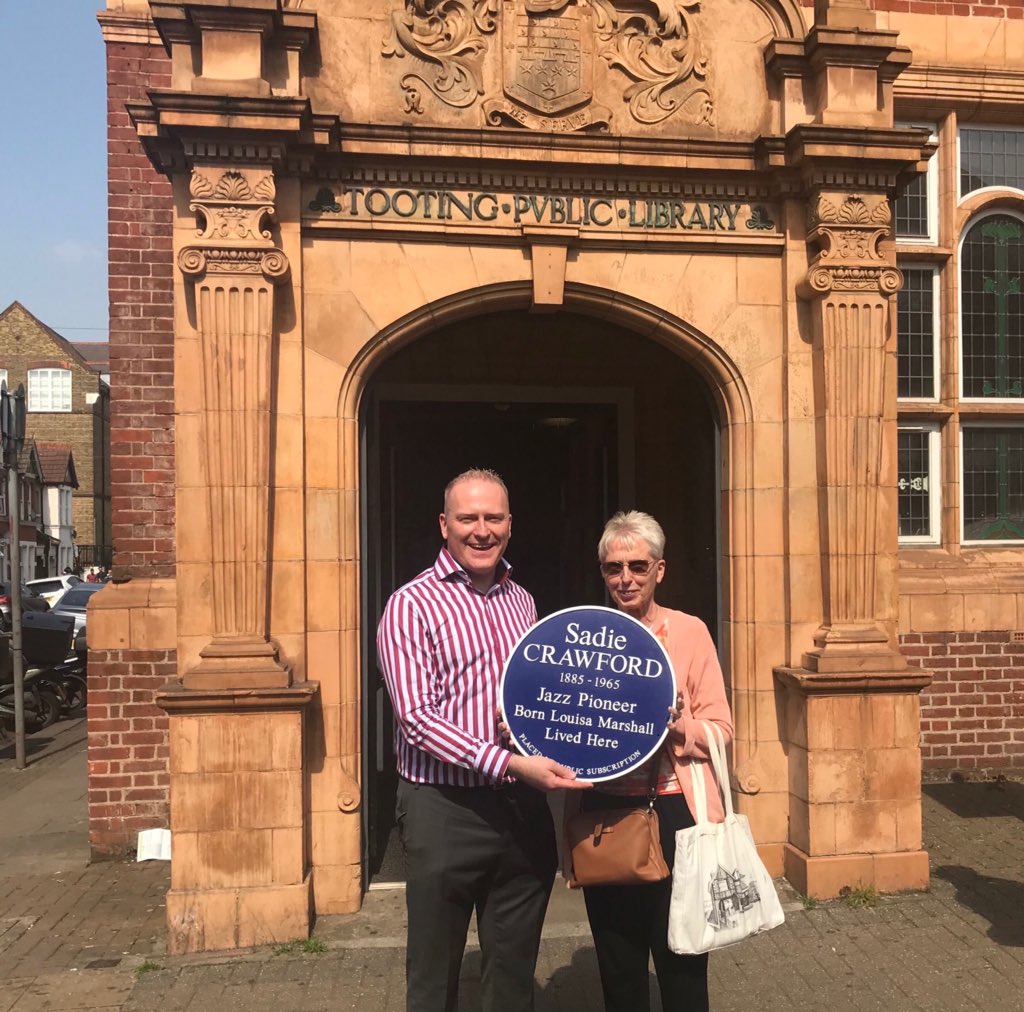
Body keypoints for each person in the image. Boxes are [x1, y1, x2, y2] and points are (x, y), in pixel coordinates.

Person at [377, 468, 589, 1012]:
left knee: (514, 975)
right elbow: (417, 719)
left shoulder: (523, 601)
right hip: (444, 809)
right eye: (467, 518)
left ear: (510, 525)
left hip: (521, 810)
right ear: (444, 525)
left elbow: (538, 696)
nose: (481, 530)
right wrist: (509, 761)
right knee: (434, 975)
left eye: (493, 517)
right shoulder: (410, 605)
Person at [568, 510, 733, 1012]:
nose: (626, 578)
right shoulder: (583, 638)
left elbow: (722, 731)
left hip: (676, 815)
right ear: (603, 573)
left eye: (638, 566)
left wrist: (680, 728)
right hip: (605, 817)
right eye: (613, 567)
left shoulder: (690, 632)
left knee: (684, 966)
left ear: (659, 570)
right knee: (618, 971)